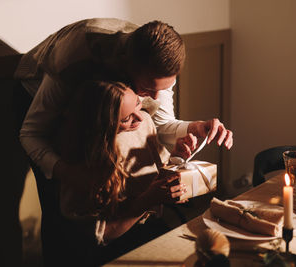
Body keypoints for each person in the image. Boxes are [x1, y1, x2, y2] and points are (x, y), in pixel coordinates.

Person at [14, 18, 233, 183]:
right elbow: (31, 134)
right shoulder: (73, 59)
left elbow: (161, 124)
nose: (155, 99)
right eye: (147, 89)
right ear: (127, 66)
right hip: (35, 88)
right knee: (60, 198)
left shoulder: (156, 68)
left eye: (163, 89)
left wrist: (194, 128)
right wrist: (69, 174)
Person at [49, 80, 196, 266]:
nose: (140, 118)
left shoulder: (144, 124)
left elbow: (160, 167)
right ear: (103, 124)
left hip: (150, 225)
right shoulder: (83, 165)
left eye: (137, 104)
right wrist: (148, 200)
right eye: (126, 119)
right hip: (113, 246)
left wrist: (176, 156)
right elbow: (101, 235)